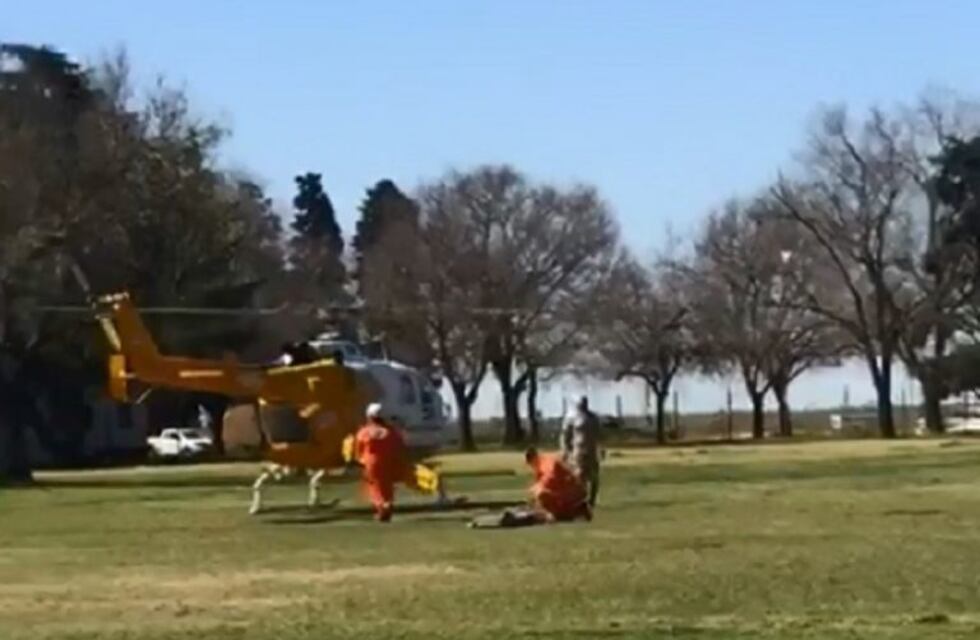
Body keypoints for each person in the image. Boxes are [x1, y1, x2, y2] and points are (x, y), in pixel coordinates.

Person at [352, 403, 407, 522]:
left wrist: (359, 461)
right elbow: (400, 446)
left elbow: (358, 450)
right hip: (389, 461)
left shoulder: (364, 432)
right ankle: (387, 503)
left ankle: (382, 508)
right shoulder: (391, 432)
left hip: (371, 462)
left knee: (374, 486)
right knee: (387, 485)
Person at [524, 446, 591, 523]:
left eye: (530, 463)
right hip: (567, 491)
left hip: (573, 491)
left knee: (542, 494)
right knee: (541, 495)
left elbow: (550, 477)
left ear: (534, 458)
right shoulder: (540, 467)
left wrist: (538, 488)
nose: (531, 467)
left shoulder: (546, 463)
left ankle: (561, 513)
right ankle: (577, 510)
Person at [560, 395, 601, 507]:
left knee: (594, 476)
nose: (583, 404)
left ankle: (592, 499)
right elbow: (565, 436)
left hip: (591, 449)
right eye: (581, 402)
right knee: (579, 475)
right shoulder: (571, 417)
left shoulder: (593, 418)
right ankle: (579, 499)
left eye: (585, 402)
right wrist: (565, 450)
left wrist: (600, 448)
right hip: (578, 450)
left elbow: (598, 435)